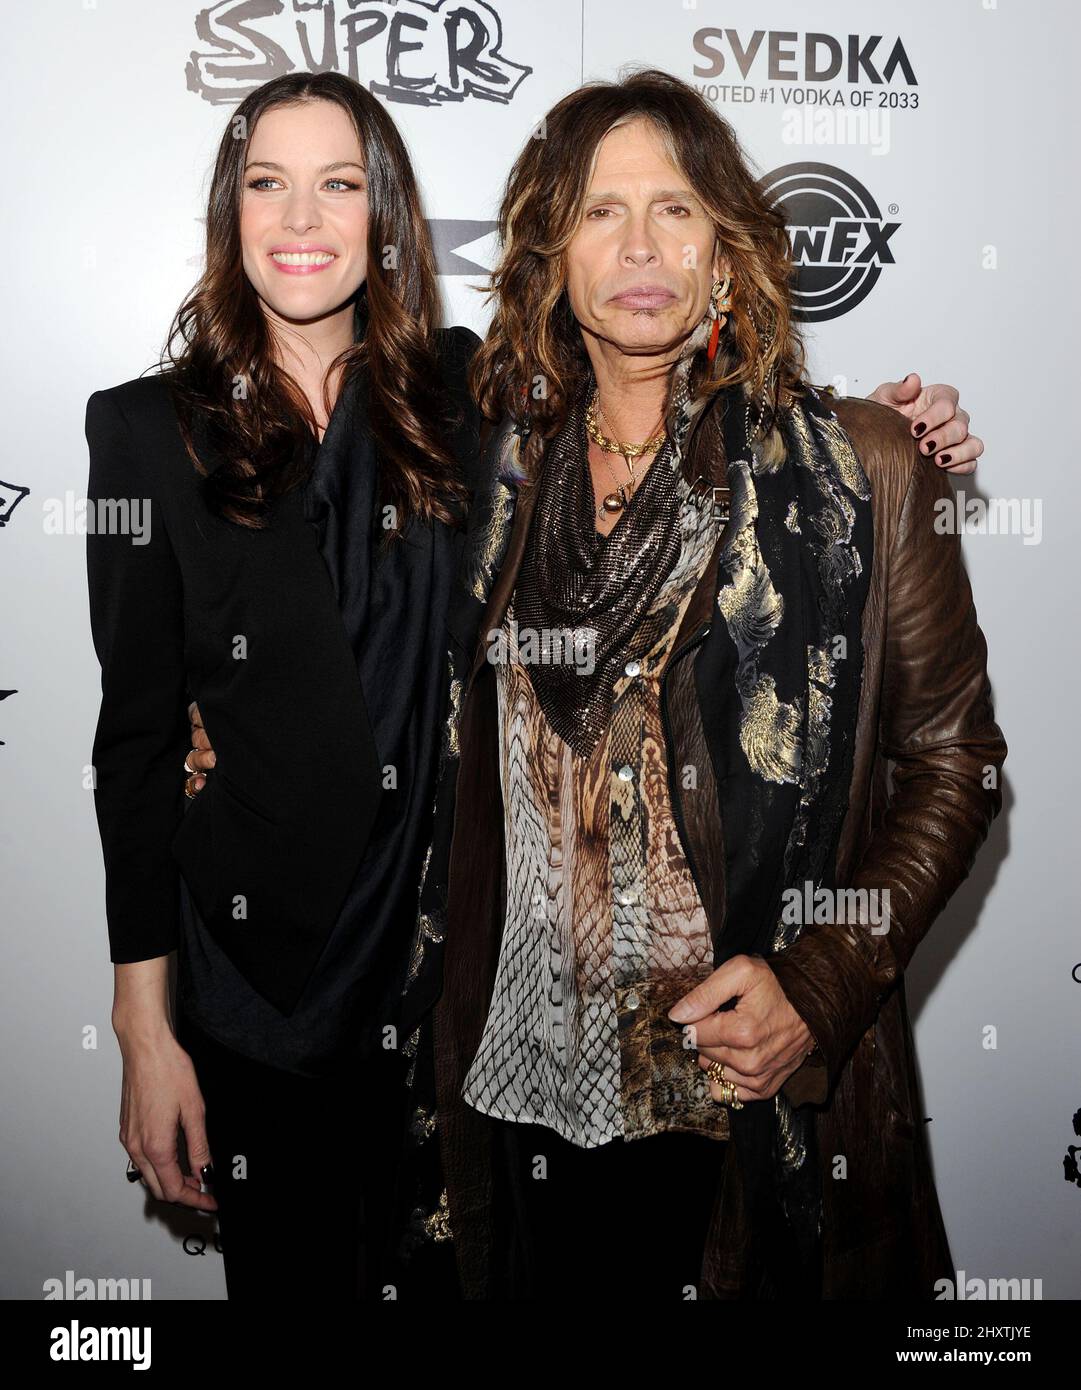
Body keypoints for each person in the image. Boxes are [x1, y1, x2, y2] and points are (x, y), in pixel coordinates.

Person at [428, 69, 1007, 1300]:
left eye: (677, 208)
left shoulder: (859, 466)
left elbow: (955, 768)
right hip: (520, 1091)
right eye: (599, 210)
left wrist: (822, 981)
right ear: (549, 256)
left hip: (737, 1108)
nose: (640, 244)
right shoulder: (491, 465)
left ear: (725, 250)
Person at [84, 71, 477, 1298]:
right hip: (263, 995)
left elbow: (654, 402)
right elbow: (138, 745)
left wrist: (879, 431)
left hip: (450, 979)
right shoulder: (146, 432)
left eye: (339, 184)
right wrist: (145, 1033)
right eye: (268, 183)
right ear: (231, 210)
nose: (300, 217)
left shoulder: (463, 395)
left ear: (387, 216)